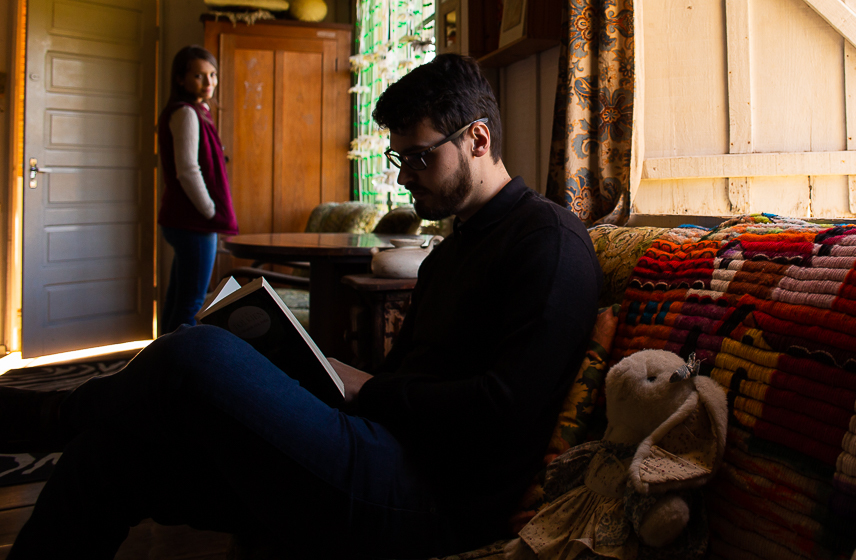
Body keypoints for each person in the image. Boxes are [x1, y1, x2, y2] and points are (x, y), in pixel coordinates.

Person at [0, 53, 602, 559]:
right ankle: (69, 429)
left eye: (420, 157)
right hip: (377, 450)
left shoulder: (548, 242)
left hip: (431, 497)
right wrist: (320, 376)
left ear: (478, 139)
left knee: (199, 351)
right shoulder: (450, 254)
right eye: (400, 160)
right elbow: (404, 379)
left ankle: (53, 417)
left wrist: (368, 390)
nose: (405, 178)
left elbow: (504, 412)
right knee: (112, 453)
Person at [158, 45, 238, 332]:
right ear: (180, 79)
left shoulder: (195, 111)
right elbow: (188, 170)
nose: (209, 82)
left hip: (184, 221)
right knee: (191, 304)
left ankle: (162, 356)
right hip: (193, 223)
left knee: (178, 299)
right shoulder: (186, 113)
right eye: (199, 76)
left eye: (212, 74)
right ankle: (179, 359)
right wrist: (210, 212)